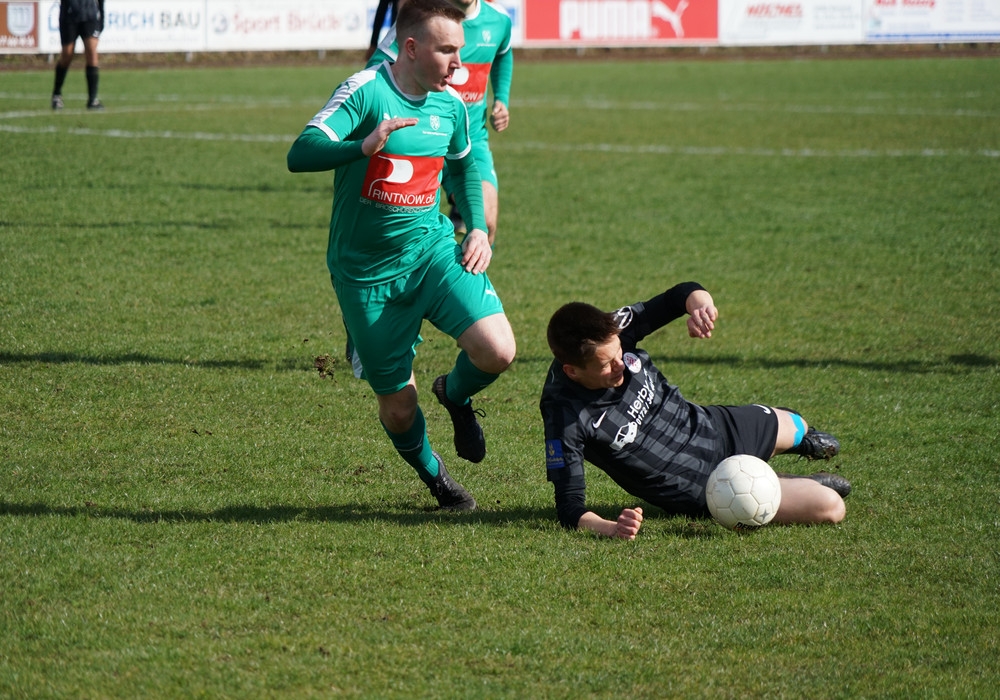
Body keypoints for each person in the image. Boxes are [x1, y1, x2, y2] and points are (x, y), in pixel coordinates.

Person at [287, 0, 515, 512]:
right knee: (398, 406)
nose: (460, 64)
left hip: (432, 251)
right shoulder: (366, 90)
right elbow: (300, 152)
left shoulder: (451, 104)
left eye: (460, 50)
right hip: (366, 274)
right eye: (448, 50)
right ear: (411, 47)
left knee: (498, 350)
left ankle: (454, 394)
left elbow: (462, 166)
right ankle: (436, 477)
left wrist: (478, 228)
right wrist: (361, 146)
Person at [540, 282, 850, 539]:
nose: (620, 364)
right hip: (708, 484)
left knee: (797, 424)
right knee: (832, 506)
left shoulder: (613, 329)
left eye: (620, 352)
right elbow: (569, 507)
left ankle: (782, 461)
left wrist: (701, 306)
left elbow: (679, 296)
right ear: (572, 371)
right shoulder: (565, 417)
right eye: (607, 364)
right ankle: (777, 481)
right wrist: (611, 528)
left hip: (715, 427)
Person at [367, 0, 513, 246]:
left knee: (485, 223)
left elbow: (503, 53)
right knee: (406, 232)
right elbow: (374, 70)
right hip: (425, 138)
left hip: (472, 139)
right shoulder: (424, 18)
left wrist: (502, 98)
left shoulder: (499, 20)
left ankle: (458, 269)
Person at [51, 0, 105, 110]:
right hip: (70, 15)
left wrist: (102, 15)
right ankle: (57, 94)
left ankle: (92, 100)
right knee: (67, 55)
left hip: (90, 15)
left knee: (92, 53)